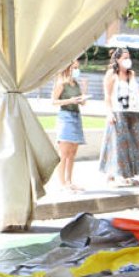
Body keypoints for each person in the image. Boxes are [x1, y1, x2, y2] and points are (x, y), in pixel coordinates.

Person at [99, 48, 139, 187]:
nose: (127, 60)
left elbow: (133, 93)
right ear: (117, 60)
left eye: (128, 57)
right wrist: (109, 113)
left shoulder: (131, 74)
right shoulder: (111, 75)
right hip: (119, 112)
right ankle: (120, 175)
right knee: (120, 145)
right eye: (124, 57)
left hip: (134, 113)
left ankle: (125, 174)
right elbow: (107, 96)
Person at [50, 58, 87, 192]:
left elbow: (82, 103)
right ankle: (62, 183)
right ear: (67, 68)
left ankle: (69, 181)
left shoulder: (75, 83)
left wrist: (83, 93)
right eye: (74, 68)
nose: (76, 70)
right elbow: (53, 101)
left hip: (76, 117)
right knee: (64, 153)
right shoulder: (61, 83)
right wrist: (69, 100)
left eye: (77, 68)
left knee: (72, 153)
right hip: (65, 117)